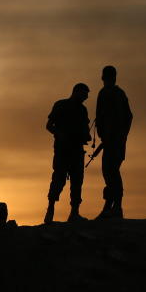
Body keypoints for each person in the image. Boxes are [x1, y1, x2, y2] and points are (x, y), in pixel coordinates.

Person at [44, 82, 92, 224]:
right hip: (62, 150)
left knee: (77, 182)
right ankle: (50, 210)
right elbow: (49, 126)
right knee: (58, 180)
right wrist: (60, 135)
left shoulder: (83, 110)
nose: (86, 97)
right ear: (77, 92)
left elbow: (85, 130)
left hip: (77, 151)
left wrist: (86, 136)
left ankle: (74, 213)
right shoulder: (60, 105)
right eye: (84, 94)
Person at [95, 65, 133, 219]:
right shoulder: (104, 93)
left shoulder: (117, 94)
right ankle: (109, 207)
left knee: (112, 173)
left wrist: (120, 136)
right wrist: (104, 136)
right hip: (109, 141)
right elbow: (101, 118)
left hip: (115, 141)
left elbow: (128, 117)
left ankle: (116, 208)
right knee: (108, 172)